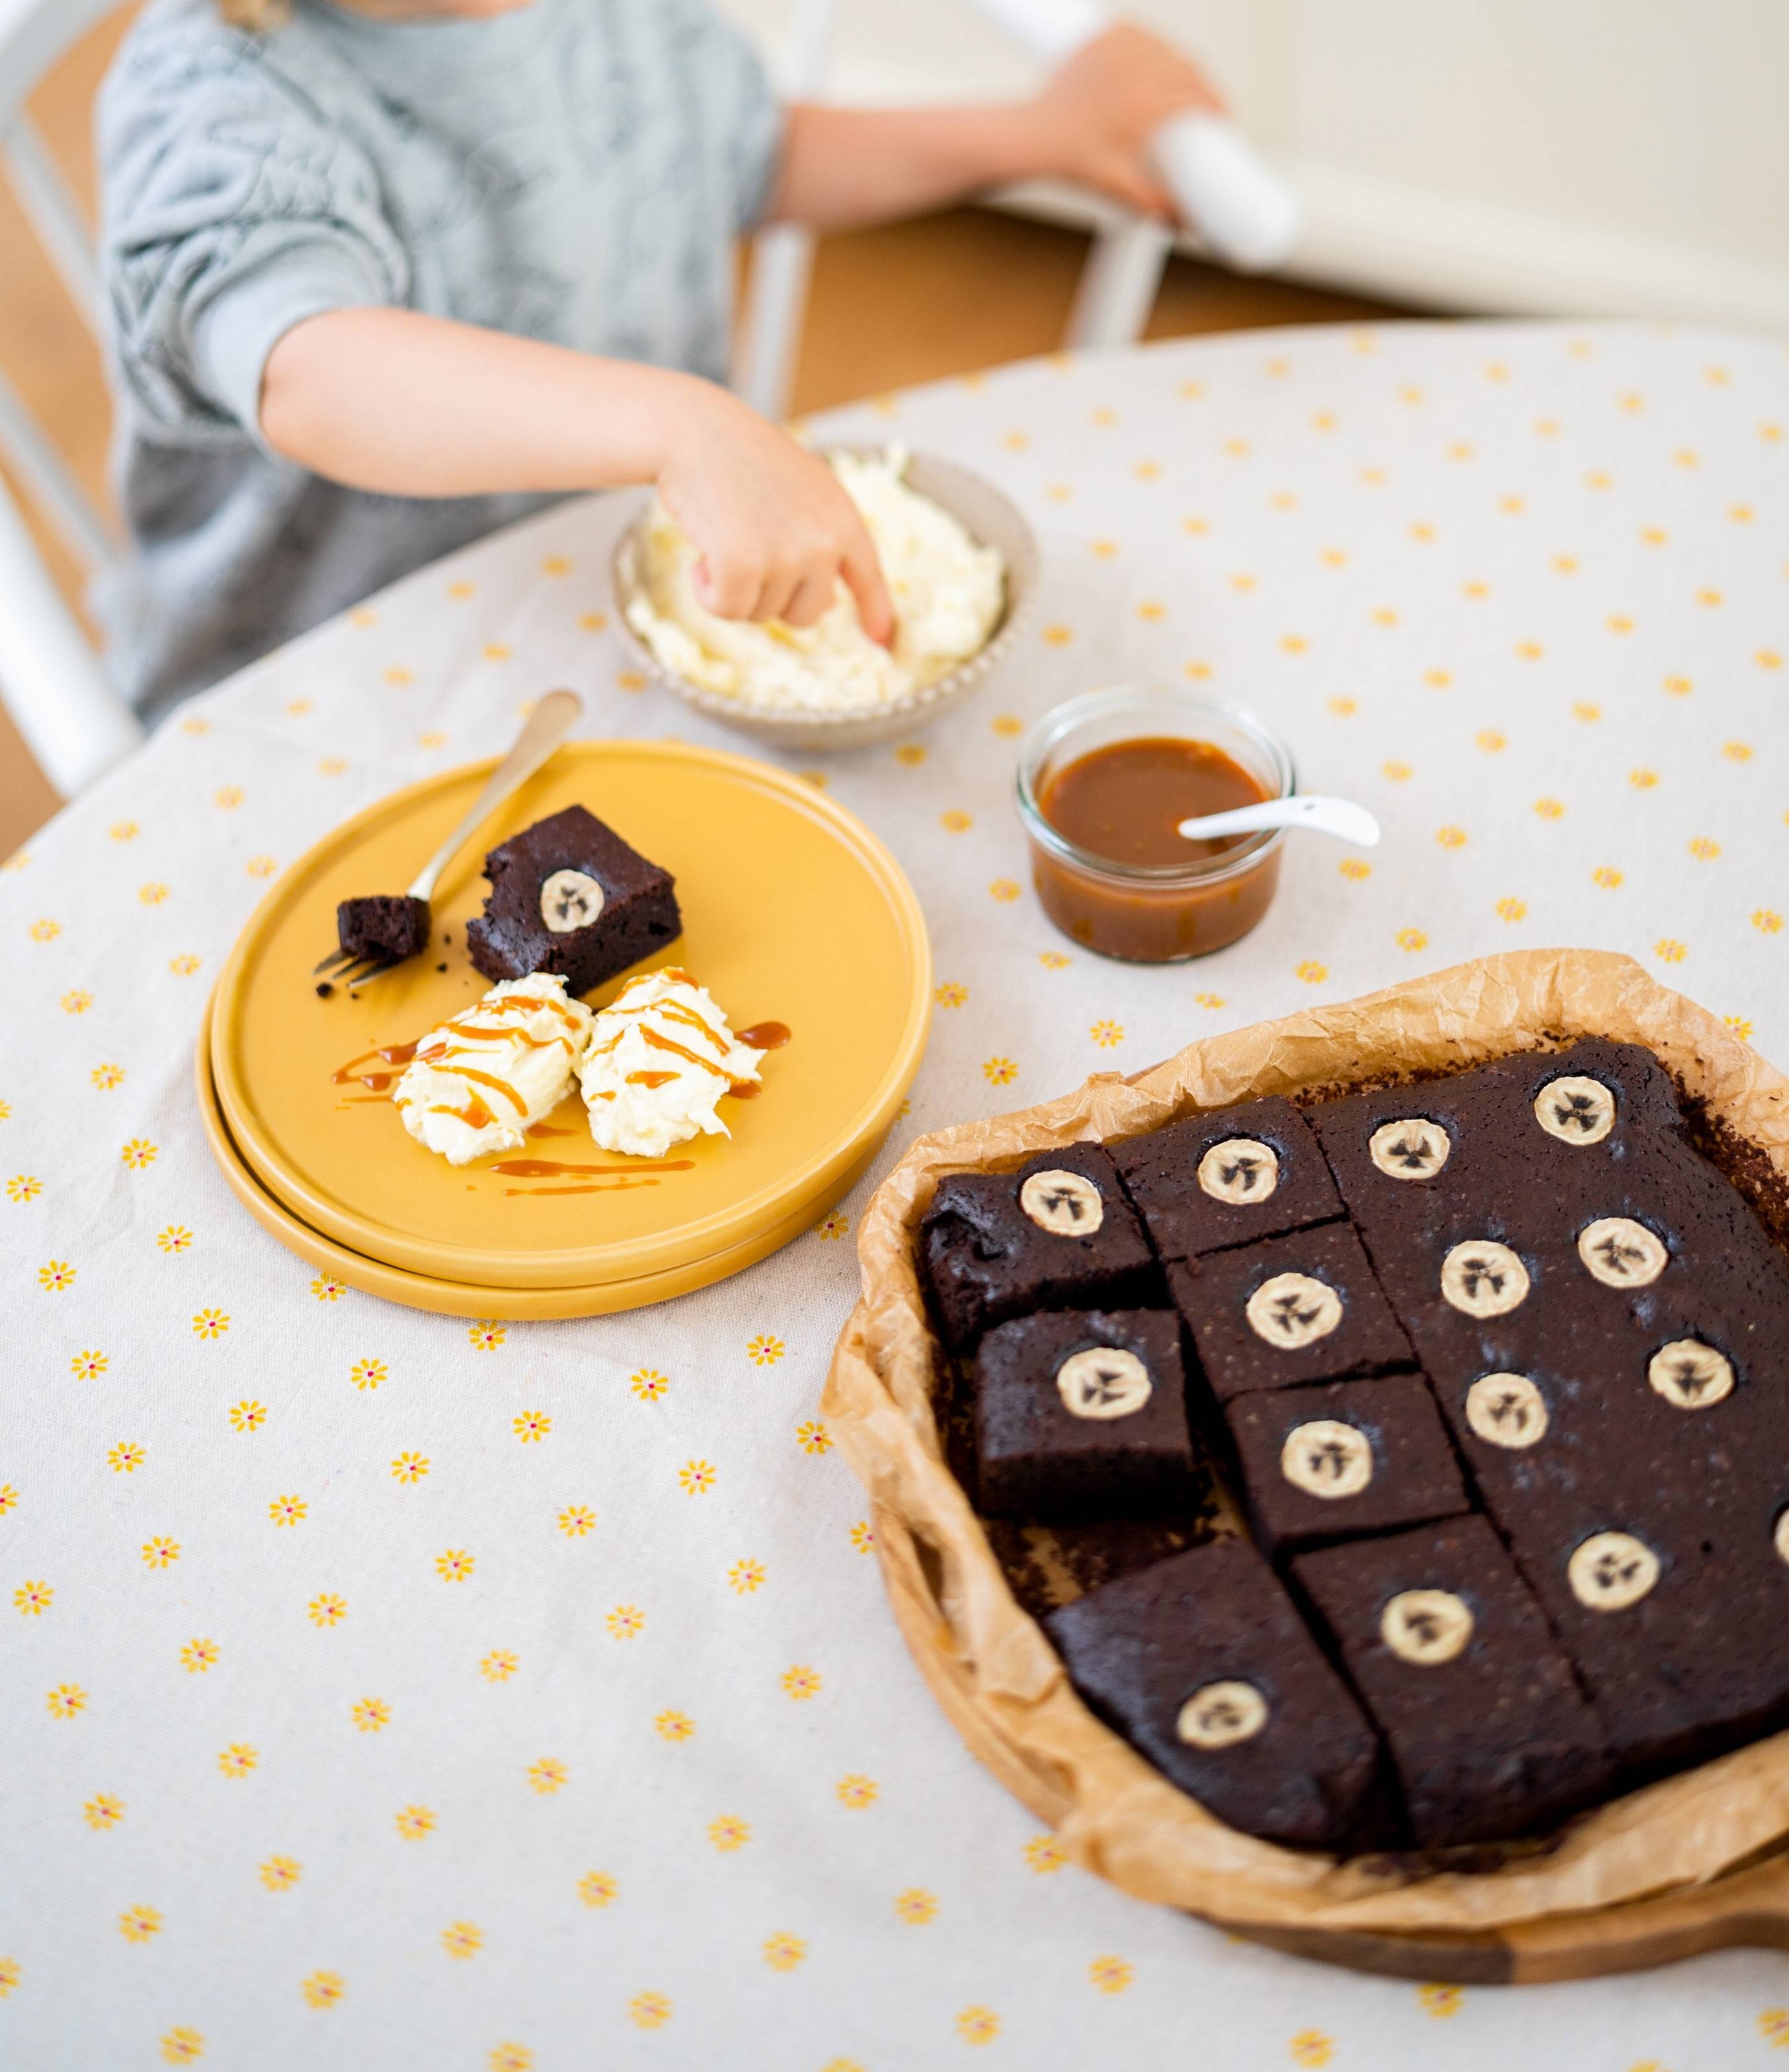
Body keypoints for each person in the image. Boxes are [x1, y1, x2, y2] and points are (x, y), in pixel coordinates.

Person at [96, 0, 1221, 719]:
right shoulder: (220, 94)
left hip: (609, 636)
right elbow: (307, 368)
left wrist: (1032, 134)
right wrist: (682, 427)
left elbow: (746, 153)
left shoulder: (620, 21)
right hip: (316, 701)